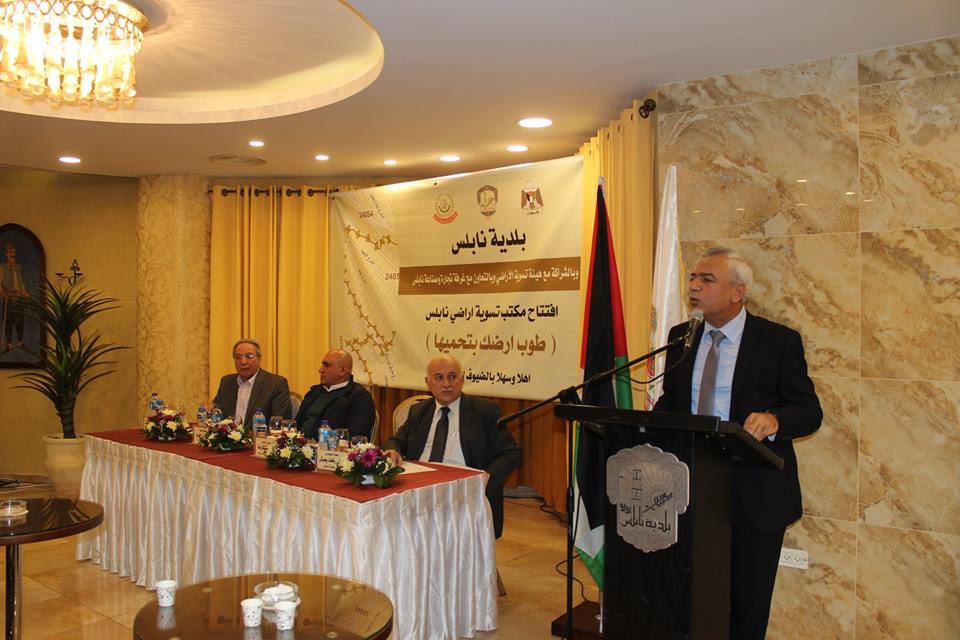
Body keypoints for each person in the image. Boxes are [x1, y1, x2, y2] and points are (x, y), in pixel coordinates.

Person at [653, 246, 822, 640]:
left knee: (747, 604)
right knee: (690, 595)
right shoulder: (682, 337)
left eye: (706, 280)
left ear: (738, 291)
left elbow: (809, 410)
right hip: (688, 490)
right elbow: (670, 403)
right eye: (693, 278)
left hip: (755, 493)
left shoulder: (777, 341)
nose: (694, 286)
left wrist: (776, 419)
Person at [384, 354, 522, 538]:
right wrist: (393, 449)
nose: (447, 383)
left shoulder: (484, 411)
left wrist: (484, 480)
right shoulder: (419, 411)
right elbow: (397, 440)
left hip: (463, 493)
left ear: (462, 379)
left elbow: (511, 454)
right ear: (428, 382)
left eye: (452, 376)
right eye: (439, 377)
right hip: (419, 490)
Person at [295, 349, 376, 440]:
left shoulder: (359, 398)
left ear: (342, 370)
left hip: (330, 451)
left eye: (326, 365)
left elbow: (355, 437)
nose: (320, 370)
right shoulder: (314, 392)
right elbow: (296, 425)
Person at [211, 339, 292, 426]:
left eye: (249, 356)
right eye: (238, 357)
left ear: (259, 358)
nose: (243, 362)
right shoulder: (227, 382)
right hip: (227, 438)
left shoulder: (276, 384)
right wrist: (210, 410)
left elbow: (279, 423)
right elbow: (217, 413)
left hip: (260, 438)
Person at [0, 241, 29, 352]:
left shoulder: (18, 267)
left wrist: (24, 291)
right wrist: (4, 292)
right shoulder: (2, 267)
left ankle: (20, 343)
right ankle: (10, 345)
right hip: (9, 299)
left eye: (14, 253)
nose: (13, 256)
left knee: (20, 322)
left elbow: (20, 282)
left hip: (19, 298)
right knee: (8, 323)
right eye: (11, 253)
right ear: (6, 254)